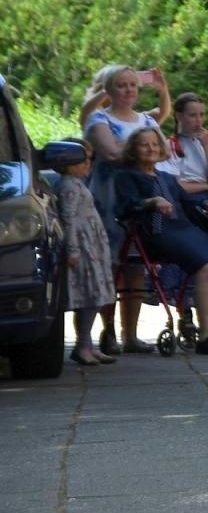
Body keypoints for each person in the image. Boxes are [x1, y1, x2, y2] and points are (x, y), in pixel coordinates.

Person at [113, 128, 208, 355]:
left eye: (154, 144)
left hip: (185, 229)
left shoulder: (167, 178)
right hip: (156, 232)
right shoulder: (126, 177)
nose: (151, 148)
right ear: (133, 150)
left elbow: (190, 206)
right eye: (144, 145)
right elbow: (124, 208)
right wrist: (151, 201)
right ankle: (206, 335)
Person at [82, 63, 170, 354]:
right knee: (110, 262)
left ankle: (130, 334)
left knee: (136, 264)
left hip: (142, 192)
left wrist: (136, 150)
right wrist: (142, 151)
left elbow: (162, 150)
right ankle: (106, 330)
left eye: (133, 84)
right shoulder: (99, 119)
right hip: (110, 197)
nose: (129, 90)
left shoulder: (146, 120)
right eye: (121, 85)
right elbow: (111, 152)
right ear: (108, 90)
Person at [45, 141, 118, 367]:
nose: (88, 163)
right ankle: (83, 345)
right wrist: (73, 249)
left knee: (95, 296)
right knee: (89, 296)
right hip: (84, 248)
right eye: (82, 159)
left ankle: (87, 343)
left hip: (92, 245)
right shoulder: (69, 186)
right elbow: (68, 218)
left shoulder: (77, 183)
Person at [160, 93, 208, 206]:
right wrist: (206, 186)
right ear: (179, 116)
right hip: (186, 200)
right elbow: (172, 185)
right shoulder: (169, 146)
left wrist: (207, 147)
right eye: (192, 115)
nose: (199, 120)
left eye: (202, 115)